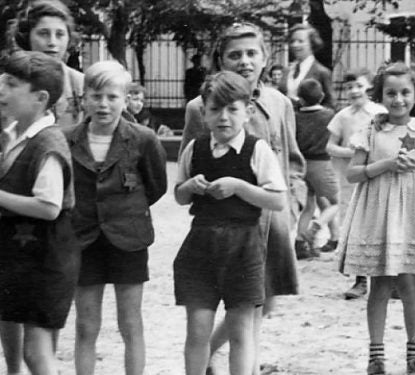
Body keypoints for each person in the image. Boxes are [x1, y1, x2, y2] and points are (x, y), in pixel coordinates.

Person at [178, 22, 305, 374]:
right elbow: (191, 161)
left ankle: (223, 357)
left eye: (252, 54)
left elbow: (293, 162)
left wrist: (292, 208)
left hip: (272, 220)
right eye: (235, 55)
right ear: (221, 59)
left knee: (263, 304)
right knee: (241, 308)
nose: (245, 61)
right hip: (221, 224)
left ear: (265, 58)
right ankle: (230, 362)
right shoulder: (197, 108)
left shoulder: (279, 102)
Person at [65, 60, 167, 375]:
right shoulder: (66, 139)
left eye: (112, 96)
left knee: (130, 322)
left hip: (128, 239)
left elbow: (155, 185)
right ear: (83, 99)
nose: (103, 104)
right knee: (86, 325)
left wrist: (125, 209)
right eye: (95, 96)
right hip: (83, 239)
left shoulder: (143, 138)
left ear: (125, 99)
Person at [338, 62, 415, 375]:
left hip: (411, 214)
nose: (398, 99)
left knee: (409, 285)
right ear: (380, 95)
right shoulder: (371, 129)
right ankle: (376, 355)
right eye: (390, 93)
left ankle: (414, 355)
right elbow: (352, 173)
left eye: (405, 92)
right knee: (379, 285)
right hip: (378, 213)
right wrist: (386, 164)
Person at [0, 50, 79, 375]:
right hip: (26, 257)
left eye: (11, 84)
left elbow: (49, 206)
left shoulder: (48, 142)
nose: (1, 90)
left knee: (36, 351)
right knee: (29, 350)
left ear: (40, 97)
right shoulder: (22, 135)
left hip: (46, 258)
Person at [327, 68, 386, 299]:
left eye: (359, 86)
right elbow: (330, 146)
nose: (354, 91)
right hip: (351, 181)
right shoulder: (342, 116)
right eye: (349, 87)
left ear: (369, 88)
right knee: (355, 228)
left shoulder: (379, 113)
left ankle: (387, 282)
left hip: (377, 178)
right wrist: (350, 153)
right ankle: (360, 281)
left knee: (379, 226)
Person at [9, 0, 84, 127]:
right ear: (27, 36)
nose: (52, 42)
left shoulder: (81, 84)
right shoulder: (8, 85)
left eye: (60, 34)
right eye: (43, 33)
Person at [294, 78, 338, 259]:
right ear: (321, 96)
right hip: (322, 163)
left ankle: (299, 242)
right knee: (335, 202)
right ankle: (315, 229)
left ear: (300, 99)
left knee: (309, 206)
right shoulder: (329, 115)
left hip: (303, 164)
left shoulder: (296, 116)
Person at [281, 24, 335, 109]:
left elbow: (330, 105)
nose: (295, 45)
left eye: (300, 41)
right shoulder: (287, 71)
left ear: (312, 44)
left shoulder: (322, 72)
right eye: (292, 41)